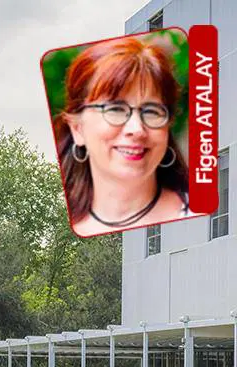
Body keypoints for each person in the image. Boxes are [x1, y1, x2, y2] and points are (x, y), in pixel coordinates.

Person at [54, 33, 192, 236]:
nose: (136, 129)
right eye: (115, 109)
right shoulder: (67, 225)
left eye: (152, 111)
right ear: (78, 129)